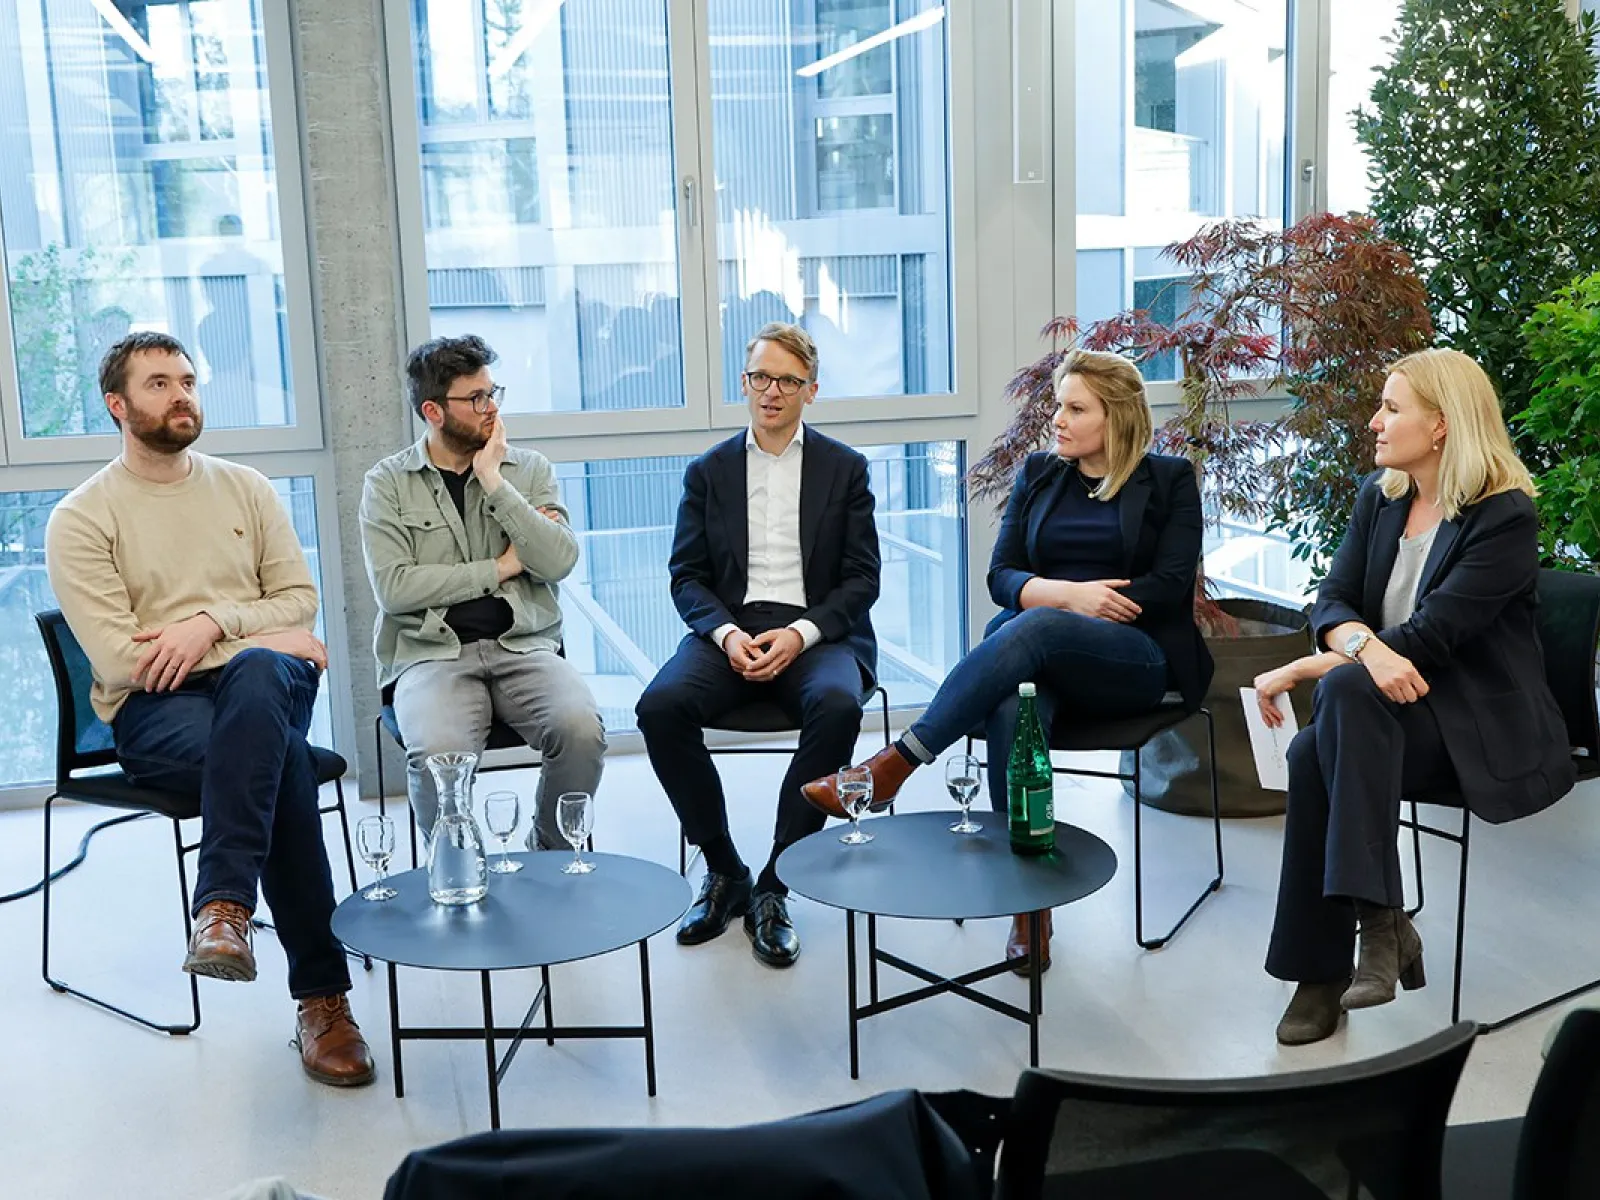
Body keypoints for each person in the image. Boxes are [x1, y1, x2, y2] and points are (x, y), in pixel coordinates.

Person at [804, 349, 1213, 971]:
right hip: (1040, 649)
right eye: (1058, 404)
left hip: (1132, 660)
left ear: (1118, 418)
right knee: (1011, 702)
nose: (1057, 418)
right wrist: (1068, 595)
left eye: (1075, 408)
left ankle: (896, 764)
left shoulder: (1170, 479)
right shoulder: (1041, 473)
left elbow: (1169, 583)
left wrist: (1068, 609)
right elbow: (1001, 576)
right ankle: (1030, 904)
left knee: (1037, 626)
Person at [45, 332, 374, 1087]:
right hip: (158, 710)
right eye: (158, 383)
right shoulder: (82, 517)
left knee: (260, 675)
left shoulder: (247, 489)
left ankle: (224, 911)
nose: (181, 394)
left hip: (264, 685)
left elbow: (301, 600)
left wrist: (207, 624)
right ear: (117, 404)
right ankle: (323, 1000)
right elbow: (126, 660)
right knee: (282, 759)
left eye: (188, 379)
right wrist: (270, 631)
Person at [1252, 348, 1577, 1045]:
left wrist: (1323, 664)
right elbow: (1330, 601)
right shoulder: (1383, 495)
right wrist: (1356, 649)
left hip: (1477, 728)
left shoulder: (1504, 516)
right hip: (1383, 713)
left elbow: (1432, 637)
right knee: (1320, 744)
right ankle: (1378, 929)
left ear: (1441, 425)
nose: (1374, 421)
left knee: (1328, 724)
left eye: (1392, 408)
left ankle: (1339, 960)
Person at [635, 322, 880, 969]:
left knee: (838, 704)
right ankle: (724, 870)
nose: (772, 391)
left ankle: (775, 883)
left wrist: (800, 634)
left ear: (811, 390)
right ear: (744, 383)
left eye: (787, 380)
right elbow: (686, 575)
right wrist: (727, 633)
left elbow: (862, 580)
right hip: (730, 631)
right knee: (659, 707)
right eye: (760, 377)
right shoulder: (708, 472)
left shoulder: (845, 469)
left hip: (818, 629)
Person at [360, 335, 605, 849]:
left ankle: (550, 853)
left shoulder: (527, 470)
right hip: (431, 656)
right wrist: (499, 567)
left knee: (581, 729)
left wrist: (494, 480)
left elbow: (558, 559)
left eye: (493, 393)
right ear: (433, 411)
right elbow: (396, 588)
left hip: (524, 646)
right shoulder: (386, 483)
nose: (490, 408)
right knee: (437, 756)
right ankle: (456, 871)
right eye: (475, 398)